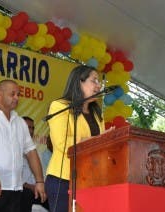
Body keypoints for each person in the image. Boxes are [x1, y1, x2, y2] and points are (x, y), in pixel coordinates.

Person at [0, 79, 46, 212]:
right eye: (12, 94)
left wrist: (39, 182)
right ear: (0, 95)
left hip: (16, 189)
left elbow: (31, 152)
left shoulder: (20, 122)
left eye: (18, 94)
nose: (16, 98)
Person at [45, 65, 105, 212]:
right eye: (94, 80)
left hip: (90, 180)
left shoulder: (96, 113)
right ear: (79, 82)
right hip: (63, 179)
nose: (98, 85)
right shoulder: (60, 106)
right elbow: (62, 143)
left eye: (99, 81)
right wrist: (93, 140)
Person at [21, 116, 49, 212]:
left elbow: (43, 175)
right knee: (27, 194)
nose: (31, 131)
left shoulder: (36, 152)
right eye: (28, 127)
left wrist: (42, 186)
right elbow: (13, 179)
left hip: (37, 190)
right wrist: (31, 187)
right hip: (22, 191)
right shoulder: (13, 149)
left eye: (33, 128)